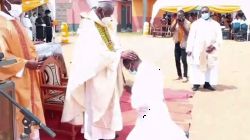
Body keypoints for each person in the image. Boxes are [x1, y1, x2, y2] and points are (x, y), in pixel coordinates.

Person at [61, 1, 137, 140]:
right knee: (95, 106)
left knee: (110, 105)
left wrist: (121, 52)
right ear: (101, 11)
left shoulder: (105, 24)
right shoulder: (89, 26)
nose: (110, 17)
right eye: (108, 14)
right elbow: (93, 55)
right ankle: (95, 135)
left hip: (109, 71)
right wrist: (117, 55)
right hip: (96, 74)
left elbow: (113, 44)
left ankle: (108, 134)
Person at [0, 0, 46, 139]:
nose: (19, 4)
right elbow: (3, 56)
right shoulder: (1, 24)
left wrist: (35, 57)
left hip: (29, 77)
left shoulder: (15, 21)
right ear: (4, 2)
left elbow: (28, 46)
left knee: (31, 116)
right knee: (17, 119)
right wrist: (25, 63)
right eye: (16, 1)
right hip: (14, 80)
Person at [123, 56, 188, 140]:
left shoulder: (141, 75)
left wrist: (134, 101)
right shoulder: (150, 66)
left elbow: (138, 101)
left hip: (148, 112)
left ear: (131, 63)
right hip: (159, 107)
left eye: (129, 68)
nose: (130, 71)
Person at [186, 6, 222, 91]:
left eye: (206, 12)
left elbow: (219, 38)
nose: (204, 13)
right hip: (197, 49)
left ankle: (207, 83)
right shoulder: (195, 24)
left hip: (210, 49)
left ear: (209, 12)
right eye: (202, 12)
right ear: (200, 13)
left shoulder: (215, 24)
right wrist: (189, 49)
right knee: (196, 66)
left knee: (210, 66)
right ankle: (196, 84)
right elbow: (191, 37)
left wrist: (214, 46)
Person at [170, 9, 190, 82]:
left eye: (181, 15)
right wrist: (175, 23)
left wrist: (182, 26)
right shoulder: (175, 21)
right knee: (177, 60)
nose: (179, 17)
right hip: (177, 43)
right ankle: (179, 75)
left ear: (183, 16)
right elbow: (171, 30)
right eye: (178, 16)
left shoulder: (188, 23)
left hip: (184, 43)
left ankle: (185, 76)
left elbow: (188, 33)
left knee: (184, 60)